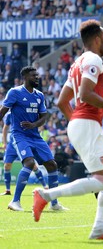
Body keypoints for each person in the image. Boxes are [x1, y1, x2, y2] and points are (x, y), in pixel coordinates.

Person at [32, 20, 103, 240]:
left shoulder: (77, 63)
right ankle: (45, 195)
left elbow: (61, 101)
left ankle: (99, 229)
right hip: (86, 124)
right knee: (102, 181)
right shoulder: (94, 59)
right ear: (97, 39)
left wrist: (75, 121)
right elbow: (85, 94)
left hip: (84, 124)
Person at [0, 66, 65, 211]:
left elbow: (43, 117)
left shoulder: (39, 95)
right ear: (25, 77)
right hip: (20, 135)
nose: (37, 77)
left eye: (37, 75)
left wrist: (33, 125)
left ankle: (54, 203)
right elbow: (2, 112)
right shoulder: (15, 92)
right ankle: (15, 201)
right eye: (34, 76)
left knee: (52, 165)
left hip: (35, 135)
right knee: (29, 162)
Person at [1, 112, 48, 196]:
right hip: (12, 144)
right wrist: (5, 142)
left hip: (23, 142)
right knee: (7, 165)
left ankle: (45, 186)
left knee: (32, 165)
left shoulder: (27, 112)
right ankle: (8, 190)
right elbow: (5, 128)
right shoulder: (9, 115)